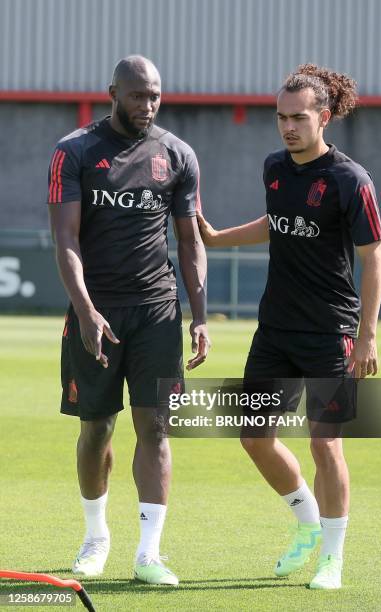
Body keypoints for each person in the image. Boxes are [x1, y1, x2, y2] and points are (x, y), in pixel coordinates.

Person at [197, 64, 381, 590]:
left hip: (332, 333)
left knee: (326, 446)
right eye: (280, 117)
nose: (287, 126)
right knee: (253, 436)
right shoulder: (274, 167)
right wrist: (216, 238)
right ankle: (306, 521)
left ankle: (333, 558)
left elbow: (374, 258)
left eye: (298, 117)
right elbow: (273, 222)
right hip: (274, 332)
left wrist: (367, 336)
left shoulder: (351, 179)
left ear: (323, 117)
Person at [47, 55, 210, 586]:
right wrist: (86, 309)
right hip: (96, 311)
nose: (148, 105)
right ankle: (96, 537)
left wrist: (200, 316)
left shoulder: (177, 154)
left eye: (156, 96)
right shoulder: (74, 151)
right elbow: (66, 240)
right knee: (96, 428)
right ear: (113, 91)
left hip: (157, 312)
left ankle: (149, 553)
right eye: (138, 95)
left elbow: (189, 242)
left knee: (156, 428)